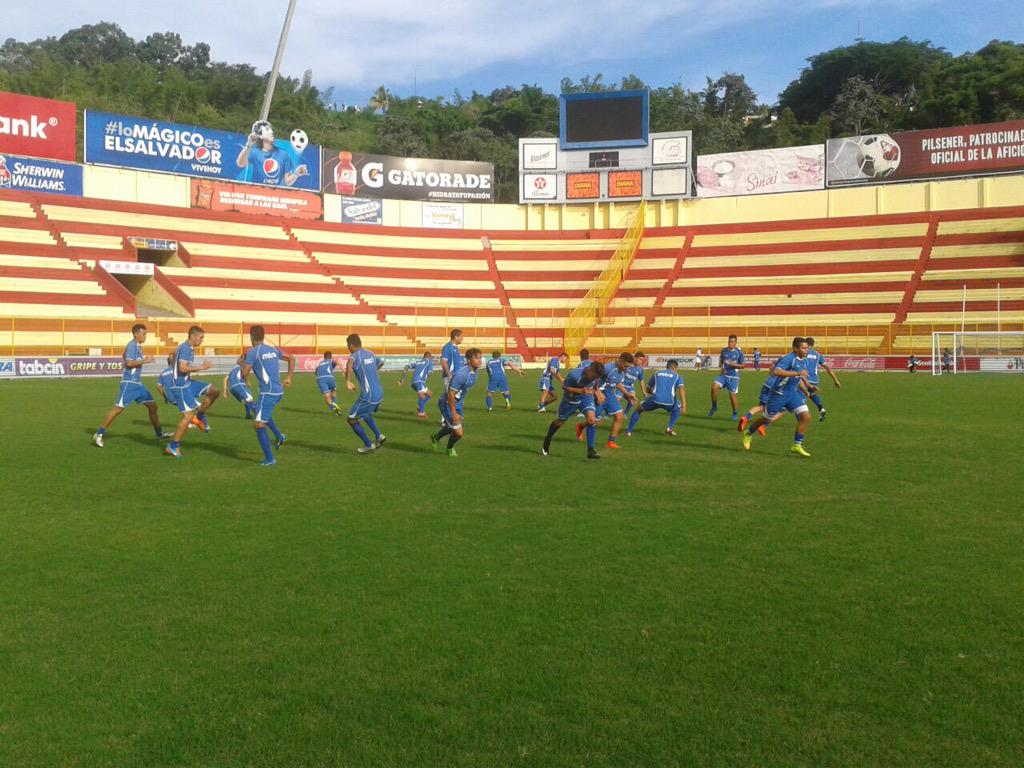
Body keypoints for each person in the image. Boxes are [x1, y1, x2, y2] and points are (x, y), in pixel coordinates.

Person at [92, 323, 170, 447]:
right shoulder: (133, 345)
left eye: (146, 334)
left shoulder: (137, 346)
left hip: (138, 384)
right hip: (129, 383)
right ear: (136, 334)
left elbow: (125, 356)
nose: (145, 336)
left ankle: (159, 434)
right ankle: (99, 434)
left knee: (153, 406)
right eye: (143, 334)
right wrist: (146, 360)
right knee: (118, 409)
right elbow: (128, 363)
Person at [741, 337, 812, 457]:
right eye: (804, 348)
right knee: (766, 419)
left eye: (807, 348)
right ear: (795, 348)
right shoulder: (788, 358)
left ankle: (797, 445)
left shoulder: (803, 360)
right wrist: (797, 373)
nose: (806, 350)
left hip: (792, 394)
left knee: (806, 416)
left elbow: (797, 377)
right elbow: (777, 372)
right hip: (779, 394)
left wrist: (805, 388)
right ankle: (748, 433)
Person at [241, 326, 294, 466]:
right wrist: (289, 377)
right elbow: (291, 358)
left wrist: (245, 379)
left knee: (258, 424)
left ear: (251, 337)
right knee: (259, 410)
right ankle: (279, 436)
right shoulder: (273, 349)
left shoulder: (252, 352)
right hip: (278, 391)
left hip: (267, 393)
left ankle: (270, 459)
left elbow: (244, 372)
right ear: (264, 336)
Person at [165, 326, 220, 458]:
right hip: (180, 385)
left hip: (187, 382)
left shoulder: (187, 348)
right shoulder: (185, 348)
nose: (202, 340)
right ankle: (173, 446)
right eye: (201, 338)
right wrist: (203, 367)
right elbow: (183, 368)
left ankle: (200, 415)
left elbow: (174, 355)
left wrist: (173, 356)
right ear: (193, 336)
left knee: (214, 391)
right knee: (188, 417)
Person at [541, 361, 606, 460]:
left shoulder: (595, 376)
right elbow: (564, 387)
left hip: (586, 398)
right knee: (560, 421)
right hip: (570, 400)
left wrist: (597, 391)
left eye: (596, 377)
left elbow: (595, 383)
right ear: (590, 369)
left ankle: (590, 450)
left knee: (592, 420)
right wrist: (580, 391)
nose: (594, 378)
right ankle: (548, 438)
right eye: (594, 376)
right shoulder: (574, 374)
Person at [432, 348, 483, 457]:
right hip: (447, 403)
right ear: (469, 360)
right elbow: (450, 395)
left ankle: (436, 437)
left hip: (458, 403)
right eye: (476, 358)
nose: (479, 360)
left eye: (480, 357)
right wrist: (454, 413)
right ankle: (449, 449)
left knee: (452, 428)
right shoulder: (462, 374)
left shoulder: (474, 372)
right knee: (459, 432)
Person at [345, 334, 386, 454]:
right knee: (365, 413)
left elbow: (349, 363)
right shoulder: (370, 353)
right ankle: (379, 436)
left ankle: (368, 445)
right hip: (379, 393)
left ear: (351, 345)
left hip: (368, 396)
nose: (348, 348)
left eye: (348, 345)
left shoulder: (354, 356)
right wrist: (371, 372)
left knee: (351, 419)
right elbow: (381, 363)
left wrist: (347, 381)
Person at [235, 120, 307, 187]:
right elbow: (240, 163)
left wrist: (296, 174)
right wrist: (249, 144)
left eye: (271, 129)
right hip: (256, 194)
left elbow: (287, 182)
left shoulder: (284, 154)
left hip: (275, 196)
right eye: (267, 129)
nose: (271, 131)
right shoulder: (255, 152)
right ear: (260, 135)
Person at [626, 359, 686, 436]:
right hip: (669, 402)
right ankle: (669, 428)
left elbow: (648, 389)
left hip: (655, 400)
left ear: (667, 366)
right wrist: (684, 403)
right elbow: (681, 389)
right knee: (678, 407)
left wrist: (654, 393)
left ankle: (628, 432)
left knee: (638, 409)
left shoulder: (657, 373)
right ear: (675, 368)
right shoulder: (678, 376)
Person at [594, 352, 636, 449]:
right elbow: (594, 378)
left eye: (628, 367)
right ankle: (580, 426)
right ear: (620, 361)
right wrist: (597, 391)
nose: (627, 369)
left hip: (610, 394)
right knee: (593, 421)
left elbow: (617, 383)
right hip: (599, 395)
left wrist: (627, 394)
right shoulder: (607, 368)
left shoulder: (622, 371)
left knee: (619, 416)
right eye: (625, 366)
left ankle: (611, 442)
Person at [804, 337, 841, 421]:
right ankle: (821, 409)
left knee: (799, 398)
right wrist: (836, 380)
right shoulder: (818, 355)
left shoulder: (803, 352)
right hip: (814, 380)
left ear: (805, 344)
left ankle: (802, 419)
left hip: (804, 379)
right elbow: (828, 368)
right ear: (813, 344)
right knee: (811, 394)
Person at [709, 334, 745, 420]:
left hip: (733, 377)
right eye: (729, 341)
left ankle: (735, 413)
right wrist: (721, 367)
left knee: (732, 396)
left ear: (735, 343)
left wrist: (734, 364)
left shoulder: (739, 352)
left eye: (732, 341)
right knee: (714, 387)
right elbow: (721, 359)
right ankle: (714, 406)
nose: (730, 343)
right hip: (723, 375)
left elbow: (743, 365)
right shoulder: (724, 350)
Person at [399, 352, 435, 417]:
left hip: (414, 382)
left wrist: (402, 379)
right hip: (420, 381)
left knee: (429, 393)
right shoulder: (429, 362)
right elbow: (430, 373)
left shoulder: (418, 362)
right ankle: (421, 413)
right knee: (422, 396)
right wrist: (428, 373)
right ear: (429, 357)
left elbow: (406, 367)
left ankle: (419, 406)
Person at [222, 354, 256, 420]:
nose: (238, 359)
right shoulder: (241, 366)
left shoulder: (234, 368)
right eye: (240, 358)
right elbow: (244, 374)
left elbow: (225, 378)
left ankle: (248, 415)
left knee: (248, 399)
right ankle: (259, 416)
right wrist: (247, 382)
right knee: (249, 399)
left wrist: (225, 391)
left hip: (232, 388)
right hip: (238, 385)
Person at [621, 351, 647, 418]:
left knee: (633, 399)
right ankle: (607, 413)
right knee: (616, 399)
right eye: (640, 359)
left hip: (629, 386)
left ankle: (624, 413)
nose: (641, 361)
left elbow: (641, 380)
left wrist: (643, 391)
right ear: (635, 358)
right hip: (621, 385)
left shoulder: (640, 369)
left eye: (642, 360)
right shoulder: (628, 364)